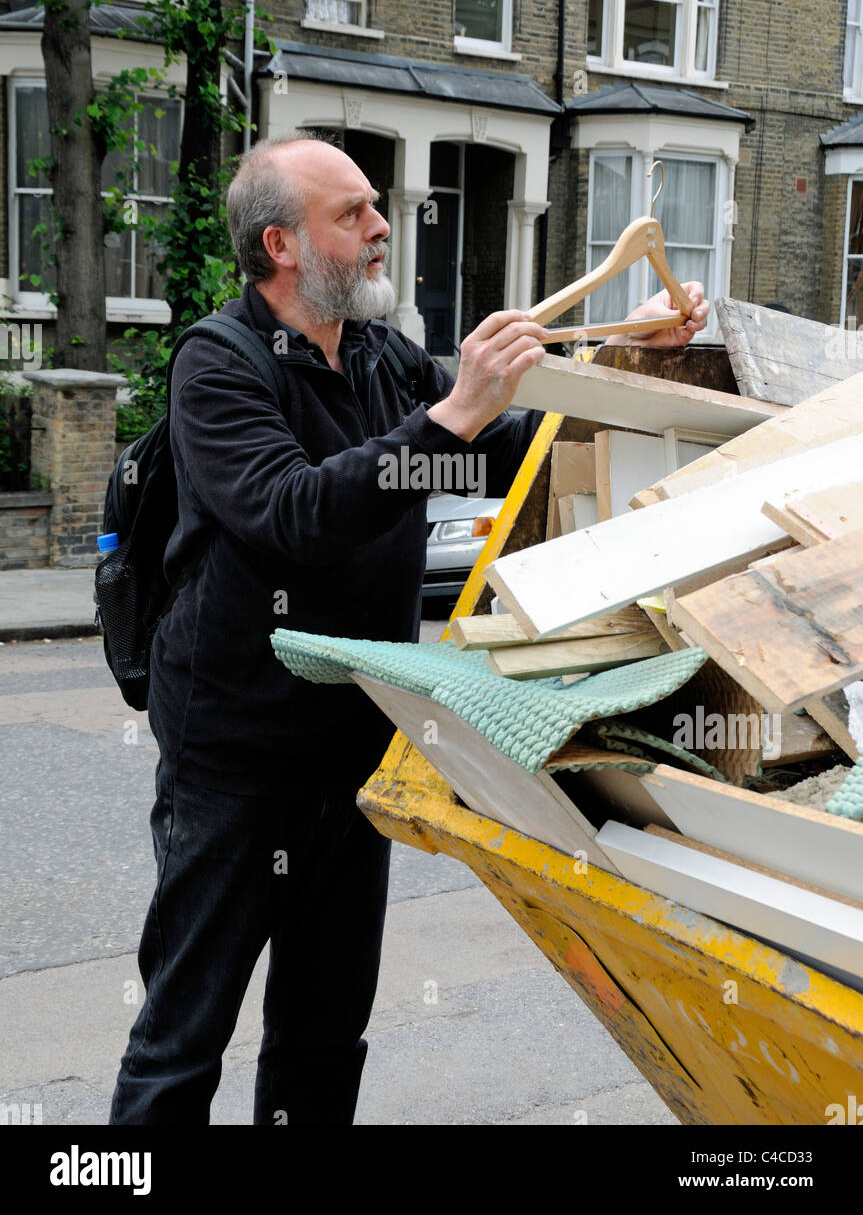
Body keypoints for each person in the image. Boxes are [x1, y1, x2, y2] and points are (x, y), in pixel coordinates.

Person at [109, 133, 708, 1127]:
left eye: (375, 205)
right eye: (351, 213)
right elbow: (293, 514)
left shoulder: (383, 360)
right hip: (235, 763)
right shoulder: (219, 364)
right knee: (184, 1035)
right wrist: (456, 412)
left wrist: (621, 354)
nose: (382, 226)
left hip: (355, 753)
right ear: (283, 245)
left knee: (322, 1034)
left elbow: (502, 454)